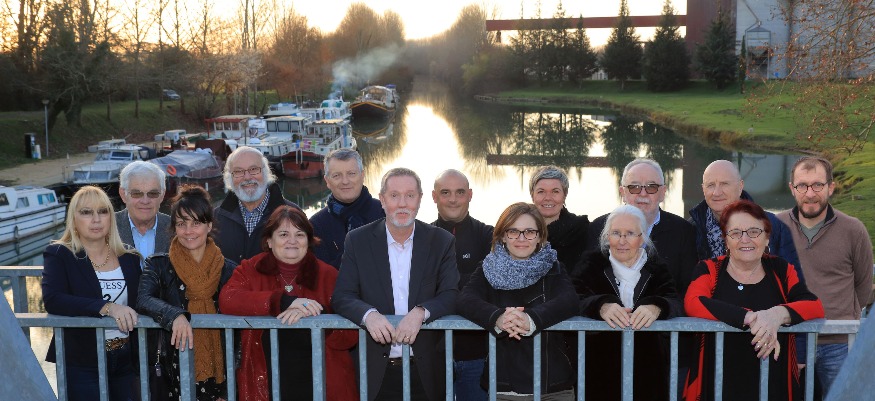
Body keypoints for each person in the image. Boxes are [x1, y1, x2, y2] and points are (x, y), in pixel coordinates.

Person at [332, 167, 459, 401]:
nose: (402, 204)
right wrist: (368, 315)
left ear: (420, 199)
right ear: (382, 200)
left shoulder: (441, 241)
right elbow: (342, 295)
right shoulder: (358, 240)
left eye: (410, 195)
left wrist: (421, 312)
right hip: (375, 373)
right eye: (394, 195)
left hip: (426, 372)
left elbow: (450, 293)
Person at [684, 200, 824, 401]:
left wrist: (775, 315)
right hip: (717, 385)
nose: (745, 239)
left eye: (754, 232)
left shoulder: (781, 269)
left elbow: (813, 305)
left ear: (767, 238)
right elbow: (693, 302)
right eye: (735, 233)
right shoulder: (709, 269)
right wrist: (749, 318)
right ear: (726, 240)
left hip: (774, 384)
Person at [219, 205, 357, 401]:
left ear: (308, 240)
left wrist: (320, 318)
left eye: (300, 234)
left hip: (324, 388)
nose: (292, 241)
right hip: (265, 387)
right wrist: (282, 302)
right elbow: (228, 299)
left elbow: (351, 336)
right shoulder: (250, 269)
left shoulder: (329, 275)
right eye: (283, 234)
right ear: (269, 240)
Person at [457, 202, 577, 400]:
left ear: (539, 236)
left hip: (553, 387)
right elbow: (465, 299)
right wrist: (497, 317)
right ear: (503, 236)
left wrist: (532, 319)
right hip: (504, 387)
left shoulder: (554, 267)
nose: (522, 238)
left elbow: (569, 300)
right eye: (513, 231)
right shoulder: (488, 268)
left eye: (529, 232)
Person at [776, 156, 874, 399]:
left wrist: (843, 316)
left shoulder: (853, 230)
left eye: (817, 185)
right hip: (790, 341)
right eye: (802, 185)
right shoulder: (776, 226)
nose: (810, 193)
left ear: (831, 187)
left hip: (840, 344)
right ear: (792, 188)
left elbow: (863, 285)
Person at [41, 185, 141, 401]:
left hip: (125, 358)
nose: (96, 219)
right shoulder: (59, 254)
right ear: (74, 219)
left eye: (103, 211)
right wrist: (107, 307)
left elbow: (143, 300)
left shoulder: (129, 257)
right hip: (81, 361)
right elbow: (53, 299)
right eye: (86, 212)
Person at [572, 205, 682, 401]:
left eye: (630, 233)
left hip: (647, 373)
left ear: (642, 238)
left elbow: (674, 301)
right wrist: (601, 306)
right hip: (598, 372)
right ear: (607, 237)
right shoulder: (592, 264)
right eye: (616, 233)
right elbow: (573, 298)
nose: (622, 241)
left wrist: (656, 306)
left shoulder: (657, 268)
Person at [137, 185, 237, 400]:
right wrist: (175, 315)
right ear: (174, 228)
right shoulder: (158, 265)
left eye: (196, 223)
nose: (188, 231)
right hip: (172, 373)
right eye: (181, 224)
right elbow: (144, 299)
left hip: (219, 375)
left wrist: (228, 389)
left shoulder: (228, 270)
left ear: (209, 225)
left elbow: (238, 334)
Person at [585, 158, 698, 297]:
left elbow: (687, 290)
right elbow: (586, 286)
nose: (643, 194)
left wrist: (658, 306)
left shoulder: (684, 232)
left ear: (663, 192)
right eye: (634, 187)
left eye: (651, 187)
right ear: (622, 192)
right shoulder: (599, 228)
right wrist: (604, 305)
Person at [430, 169, 493, 401]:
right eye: (445, 192)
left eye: (460, 192)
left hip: (476, 354)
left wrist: (441, 283)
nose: (453, 199)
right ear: (434, 196)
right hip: (432, 354)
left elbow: (490, 286)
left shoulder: (488, 235)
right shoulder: (422, 237)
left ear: (470, 195)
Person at [689, 160, 803, 272]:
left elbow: (793, 277)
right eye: (710, 185)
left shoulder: (774, 225)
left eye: (724, 184)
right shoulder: (690, 229)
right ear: (703, 189)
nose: (717, 192)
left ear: (740, 186)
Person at [215, 146, 300, 264]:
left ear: (265, 172)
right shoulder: (216, 217)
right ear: (229, 177)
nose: (247, 177)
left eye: (254, 169)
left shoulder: (293, 214)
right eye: (238, 171)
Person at [309, 148, 384, 269]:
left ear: (362, 175)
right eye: (337, 175)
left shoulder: (386, 213)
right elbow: (321, 274)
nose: (345, 181)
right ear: (327, 181)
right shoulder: (316, 225)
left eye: (351, 174)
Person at [529, 165, 589, 269]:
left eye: (555, 191)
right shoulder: (519, 232)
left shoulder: (582, 230)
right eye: (541, 192)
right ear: (532, 195)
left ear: (564, 195)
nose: (548, 198)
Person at [116, 161, 171, 259]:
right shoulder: (107, 227)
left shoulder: (176, 229)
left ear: (162, 195)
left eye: (153, 193)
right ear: (123, 194)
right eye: (137, 194)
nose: (145, 201)